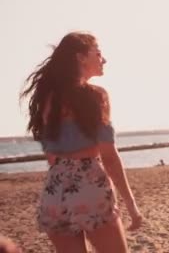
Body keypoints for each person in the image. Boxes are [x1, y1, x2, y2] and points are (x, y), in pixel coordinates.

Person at [20, 32, 143, 253]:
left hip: (55, 191)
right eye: (98, 53)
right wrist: (131, 205)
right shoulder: (97, 96)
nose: (103, 59)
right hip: (89, 186)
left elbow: (51, 155)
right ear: (81, 57)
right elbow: (109, 157)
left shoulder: (48, 99)